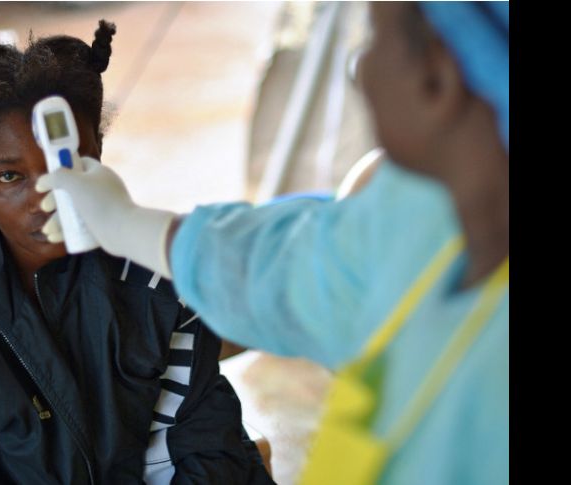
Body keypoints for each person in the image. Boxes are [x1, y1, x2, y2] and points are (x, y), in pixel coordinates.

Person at [36, 3, 509, 484]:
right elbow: (289, 263)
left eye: (374, 39)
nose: (359, 69)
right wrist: (129, 225)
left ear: (437, 79)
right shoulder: (422, 220)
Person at [0, 21, 272, 484]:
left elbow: (204, 452)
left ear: (98, 150)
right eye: (10, 177)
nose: (48, 197)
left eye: (68, 162)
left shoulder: (159, 281)